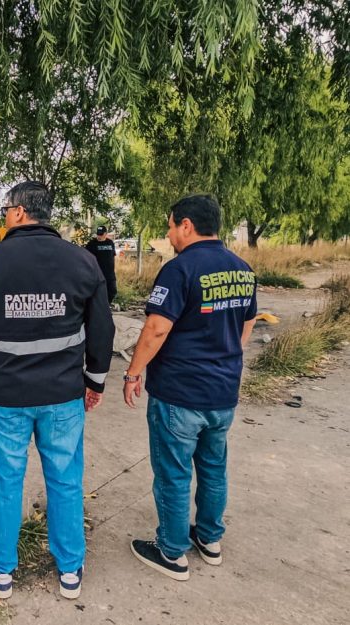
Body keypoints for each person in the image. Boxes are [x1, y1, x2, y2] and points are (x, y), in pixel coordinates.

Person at [0, 181, 115, 600]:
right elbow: (102, 328)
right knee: (66, 480)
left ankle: (2, 571)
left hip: (7, 398)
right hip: (63, 397)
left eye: (5, 209)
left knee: (6, 480)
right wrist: (95, 380)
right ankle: (70, 569)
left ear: (19, 212)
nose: (4, 216)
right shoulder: (82, 261)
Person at [123, 194, 257, 581]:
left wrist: (134, 372)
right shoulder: (242, 269)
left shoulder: (179, 269)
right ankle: (210, 540)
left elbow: (157, 327)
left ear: (186, 225)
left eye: (170, 225)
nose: (168, 234)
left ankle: (171, 551)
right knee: (214, 467)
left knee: (173, 471)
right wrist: (224, 357)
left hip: (180, 393)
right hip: (223, 392)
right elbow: (247, 324)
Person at [85, 226, 117, 303]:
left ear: (106, 234)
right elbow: (86, 257)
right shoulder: (91, 244)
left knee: (112, 291)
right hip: (97, 273)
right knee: (98, 292)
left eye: (101, 234)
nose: (99, 236)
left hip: (109, 273)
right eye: (98, 234)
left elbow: (113, 256)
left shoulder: (110, 243)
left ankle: (107, 305)